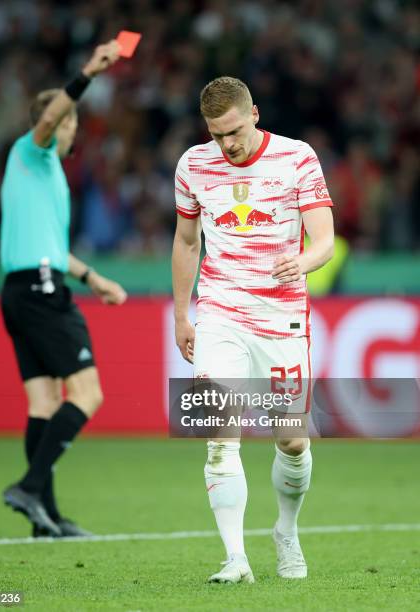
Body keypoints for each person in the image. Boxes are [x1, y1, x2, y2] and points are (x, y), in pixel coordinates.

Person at [172, 77, 334, 582]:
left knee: (291, 440)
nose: (227, 145)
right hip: (219, 312)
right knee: (220, 433)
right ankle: (235, 559)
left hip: (281, 318)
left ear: (255, 114)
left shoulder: (297, 158)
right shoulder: (193, 165)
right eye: (217, 135)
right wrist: (183, 313)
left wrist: (302, 261)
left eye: (234, 131)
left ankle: (286, 530)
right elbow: (185, 241)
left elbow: (325, 240)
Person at [0, 41, 127, 537]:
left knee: (44, 404)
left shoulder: (42, 175)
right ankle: (31, 487)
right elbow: (50, 119)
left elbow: (50, 246)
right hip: (40, 290)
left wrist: (93, 278)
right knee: (89, 394)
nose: (70, 131)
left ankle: (43, 518)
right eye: (69, 122)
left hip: (18, 288)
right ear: (62, 124)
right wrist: (87, 74)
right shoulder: (32, 151)